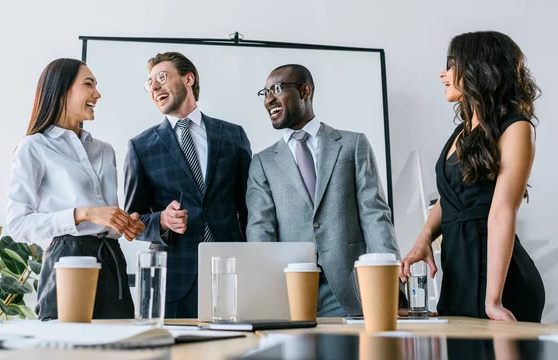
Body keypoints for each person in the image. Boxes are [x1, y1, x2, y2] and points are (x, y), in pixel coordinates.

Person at [400, 31, 545, 322]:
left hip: (500, 281)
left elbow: (503, 212)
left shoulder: (516, 127)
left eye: (452, 65)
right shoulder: (463, 131)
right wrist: (424, 238)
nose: (443, 74)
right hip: (458, 274)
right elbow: (450, 197)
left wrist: (493, 301)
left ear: (479, 69)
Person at [246, 64, 403, 316]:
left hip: (351, 289)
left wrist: (391, 281)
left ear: (305, 91)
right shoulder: (263, 162)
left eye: (276, 89)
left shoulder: (353, 145)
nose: (269, 100)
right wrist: (263, 291)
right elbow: (260, 230)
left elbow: (375, 215)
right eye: (264, 93)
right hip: (291, 291)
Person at [7, 58, 144, 320]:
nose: (97, 94)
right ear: (62, 91)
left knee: (120, 347)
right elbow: (18, 225)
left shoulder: (104, 150)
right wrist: (85, 213)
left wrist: (123, 223)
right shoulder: (33, 147)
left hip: (111, 258)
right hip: (67, 258)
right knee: (65, 347)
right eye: (89, 84)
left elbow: (104, 214)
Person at [124, 52, 252, 318]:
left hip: (232, 273)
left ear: (188, 78)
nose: (155, 87)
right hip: (173, 281)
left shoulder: (232, 134)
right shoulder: (141, 146)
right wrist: (162, 220)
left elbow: (249, 207)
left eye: (161, 77)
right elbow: (132, 221)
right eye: (150, 83)